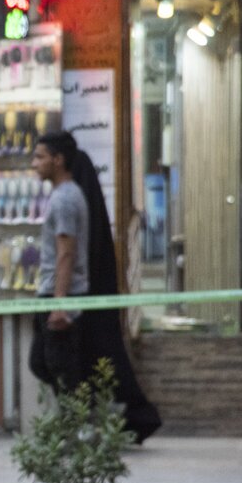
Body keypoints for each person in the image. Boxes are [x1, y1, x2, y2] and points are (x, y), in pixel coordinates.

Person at [57, 136, 162, 441]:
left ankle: (118, 420)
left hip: (85, 300)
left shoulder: (72, 202)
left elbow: (71, 254)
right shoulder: (87, 204)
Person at [29, 131, 92, 392]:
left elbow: (66, 253)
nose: (34, 163)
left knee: (61, 370)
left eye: (39, 157)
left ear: (58, 160)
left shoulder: (65, 199)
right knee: (43, 364)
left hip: (62, 296)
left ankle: (75, 416)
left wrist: (59, 305)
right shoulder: (62, 195)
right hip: (53, 292)